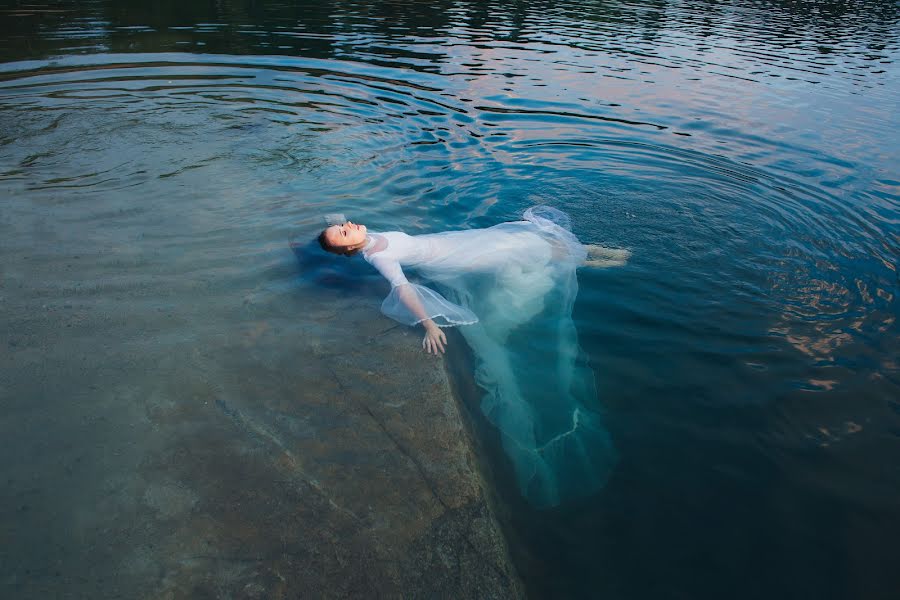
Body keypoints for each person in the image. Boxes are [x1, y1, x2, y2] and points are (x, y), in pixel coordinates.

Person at [316, 206, 629, 507]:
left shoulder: (366, 237)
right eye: (343, 232)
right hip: (463, 257)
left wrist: (329, 228)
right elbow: (402, 289)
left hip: (459, 242)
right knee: (533, 250)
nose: (348, 226)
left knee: (528, 240)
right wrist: (429, 325)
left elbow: (339, 230)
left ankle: (600, 255)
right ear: (350, 249)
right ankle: (608, 260)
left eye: (344, 226)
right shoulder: (378, 256)